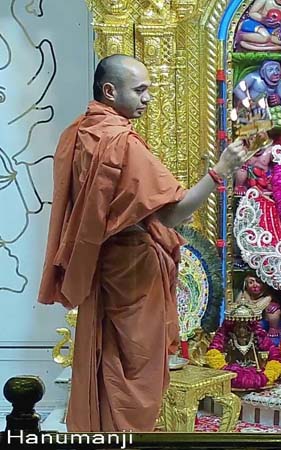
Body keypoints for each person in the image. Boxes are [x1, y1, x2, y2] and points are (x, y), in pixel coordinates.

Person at [37, 54, 248, 432]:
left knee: (107, 365)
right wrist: (221, 171)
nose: (148, 97)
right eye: (140, 89)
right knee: (136, 375)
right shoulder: (122, 144)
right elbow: (172, 214)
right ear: (109, 91)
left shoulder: (79, 132)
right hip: (133, 272)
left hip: (104, 266)